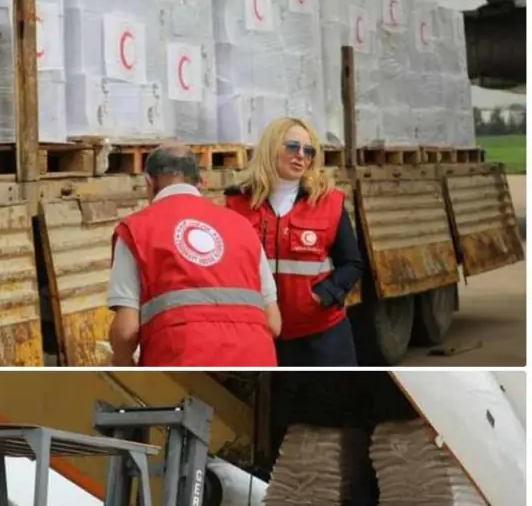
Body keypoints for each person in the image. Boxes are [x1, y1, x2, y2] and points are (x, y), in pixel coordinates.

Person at [108, 144, 282, 367]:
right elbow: (274, 323)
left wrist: (122, 364)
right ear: (201, 182)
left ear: (149, 183)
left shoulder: (135, 230)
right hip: (255, 364)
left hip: (181, 365)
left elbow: (126, 331)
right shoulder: (243, 226)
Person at [225, 117, 365, 366]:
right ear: (271, 148)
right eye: (292, 147)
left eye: (308, 151)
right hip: (259, 334)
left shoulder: (328, 203)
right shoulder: (237, 205)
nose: (301, 155)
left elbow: (352, 264)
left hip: (321, 337)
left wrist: (323, 295)